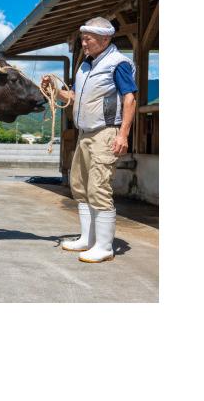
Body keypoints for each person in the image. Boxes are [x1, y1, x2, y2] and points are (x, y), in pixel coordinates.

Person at [42, 17, 137, 263]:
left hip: (105, 133)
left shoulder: (119, 63)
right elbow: (73, 96)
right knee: (80, 187)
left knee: (99, 188)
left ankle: (104, 247)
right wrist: (54, 88)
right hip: (84, 133)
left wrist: (123, 134)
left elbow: (130, 99)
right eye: (82, 38)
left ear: (105, 39)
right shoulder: (86, 65)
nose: (83, 43)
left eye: (88, 38)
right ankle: (87, 238)